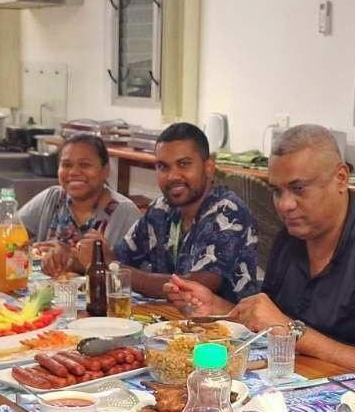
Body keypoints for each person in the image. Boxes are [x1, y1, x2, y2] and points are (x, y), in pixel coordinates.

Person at [165, 124, 355, 383]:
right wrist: (218, 308)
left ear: (341, 178)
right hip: (298, 387)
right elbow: (271, 323)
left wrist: (292, 331)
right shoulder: (290, 239)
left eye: (299, 189)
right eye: (277, 191)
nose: (285, 205)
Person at [69, 122, 258, 302]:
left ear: (208, 167)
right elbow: (120, 257)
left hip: (224, 330)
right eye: (163, 167)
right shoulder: (161, 209)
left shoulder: (228, 212)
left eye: (184, 164)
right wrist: (72, 257)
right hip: (168, 324)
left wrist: (111, 267)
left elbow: (195, 286)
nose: (173, 176)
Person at [0, 134, 139, 272]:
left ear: (105, 170)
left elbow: (122, 271)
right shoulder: (53, 197)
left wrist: (70, 257)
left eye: (85, 165)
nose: (74, 172)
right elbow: (13, 237)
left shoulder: (123, 212)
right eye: (66, 165)